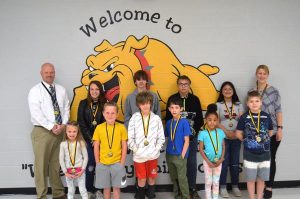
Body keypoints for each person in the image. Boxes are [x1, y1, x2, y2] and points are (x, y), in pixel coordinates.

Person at [28, 63, 69, 199]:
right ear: (41, 73)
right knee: (41, 165)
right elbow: (36, 113)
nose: (49, 74)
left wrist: (63, 125)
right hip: (43, 132)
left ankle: (58, 193)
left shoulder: (61, 90)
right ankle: (41, 195)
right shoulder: (35, 91)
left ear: (54, 73)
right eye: (46, 72)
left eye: (51, 72)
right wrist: (51, 126)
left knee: (56, 164)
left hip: (60, 130)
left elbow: (66, 109)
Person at [166, 75, 204, 199]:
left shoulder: (195, 99)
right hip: (176, 140)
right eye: (181, 84)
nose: (183, 86)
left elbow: (199, 120)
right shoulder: (172, 99)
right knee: (177, 165)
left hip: (191, 139)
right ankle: (179, 191)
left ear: (189, 85)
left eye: (186, 84)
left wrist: (192, 133)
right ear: (178, 85)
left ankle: (192, 188)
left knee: (191, 164)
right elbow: (167, 118)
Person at [236, 91, 273, 199]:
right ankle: (252, 197)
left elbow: (270, 131)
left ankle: (259, 197)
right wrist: (246, 140)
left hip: (265, 155)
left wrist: (264, 139)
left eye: (257, 101)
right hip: (249, 154)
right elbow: (238, 133)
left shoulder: (266, 116)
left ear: (261, 102)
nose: (254, 103)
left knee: (262, 179)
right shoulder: (244, 117)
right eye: (251, 101)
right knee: (251, 179)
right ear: (247, 103)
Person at [128, 91, 165, 199]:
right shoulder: (134, 118)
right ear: (139, 105)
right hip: (139, 156)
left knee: (152, 178)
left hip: (153, 156)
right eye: (142, 103)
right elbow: (130, 137)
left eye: (147, 103)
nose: (145, 106)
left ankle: (150, 194)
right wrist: (136, 150)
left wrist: (156, 149)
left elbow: (161, 137)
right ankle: (140, 195)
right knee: (141, 178)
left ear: (151, 104)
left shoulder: (156, 119)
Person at [253, 65, 283, 199]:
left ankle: (269, 187)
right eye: (259, 73)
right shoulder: (251, 92)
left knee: (271, 159)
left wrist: (280, 128)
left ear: (267, 75)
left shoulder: (274, 91)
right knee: (258, 159)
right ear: (256, 75)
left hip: (273, 130)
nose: (261, 75)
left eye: (264, 73)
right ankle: (260, 186)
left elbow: (278, 110)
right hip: (256, 131)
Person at [93, 102, 128, 199]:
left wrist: (122, 163)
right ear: (103, 114)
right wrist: (98, 163)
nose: (110, 115)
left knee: (116, 188)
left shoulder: (121, 127)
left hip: (117, 163)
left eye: (113, 113)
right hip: (103, 163)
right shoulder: (99, 128)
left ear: (117, 114)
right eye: (107, 113)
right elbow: (96, 146)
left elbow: (124, 145)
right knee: (106, 188)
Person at [77, 80, 106, 199]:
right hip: (88, 141)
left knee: (101, 166)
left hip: (102, 141)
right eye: (92, 89)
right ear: (89, 91)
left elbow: (106, 122)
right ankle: (89, 190)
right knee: (90, 165)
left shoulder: (105, 103)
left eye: (97, 89)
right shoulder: (83, 103)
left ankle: (99, 189)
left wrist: (98, 140)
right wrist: (91, 139)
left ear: (100, 91)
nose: (94, 91)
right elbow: (81, 122)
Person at [216, 81, 244, 198]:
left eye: (230, 89)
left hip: (236, 137)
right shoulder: (218, 105)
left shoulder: (238, 105)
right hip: (224, 137)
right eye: (225, 89)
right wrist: (227, 132)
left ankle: (235, 186)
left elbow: (242, 120)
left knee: (235, 163)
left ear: (233, 91)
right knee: (224, 161)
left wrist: (235, 133)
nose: (227, 91)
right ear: (222, 92)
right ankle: (222, 187)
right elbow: (216, 121)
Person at [165, 96, 191, 199]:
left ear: (181, 109)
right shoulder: (168, 123)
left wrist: (182, 155)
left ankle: (185, 196)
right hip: (170, 154)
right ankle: (177, 195)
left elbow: (187, 141)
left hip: (180, 155)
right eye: (172, 107)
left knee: (182, 178)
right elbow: (167, 138)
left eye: (176, 107)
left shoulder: (184, 122)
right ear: (169, 109)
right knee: (174, 177)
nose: (174, 110)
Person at [198, 104, 226, 199]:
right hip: (207, 162)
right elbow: (200, 149)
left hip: (219, 161)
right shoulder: (203, 133)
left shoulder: (221, 132)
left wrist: (221, 159)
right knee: (208, 182)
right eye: (209, 120)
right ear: (206, 120)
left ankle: (215, 197)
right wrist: (208, 161)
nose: (212, 122)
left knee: (216, 182)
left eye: (214, 120)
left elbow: (223, 146)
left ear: (217, 121)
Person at [59, 121, 88, 199]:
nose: (72, 134)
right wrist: (65, 172)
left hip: (80, 171)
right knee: (70, 190)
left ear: (78, 131)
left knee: (82, 190)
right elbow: (61, 160)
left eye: (74, 131)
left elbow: (86, 157)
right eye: (69, 131)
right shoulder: (63, 144)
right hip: (68, 171)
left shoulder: (81, 143)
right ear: (66, 132)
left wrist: (82, 170)